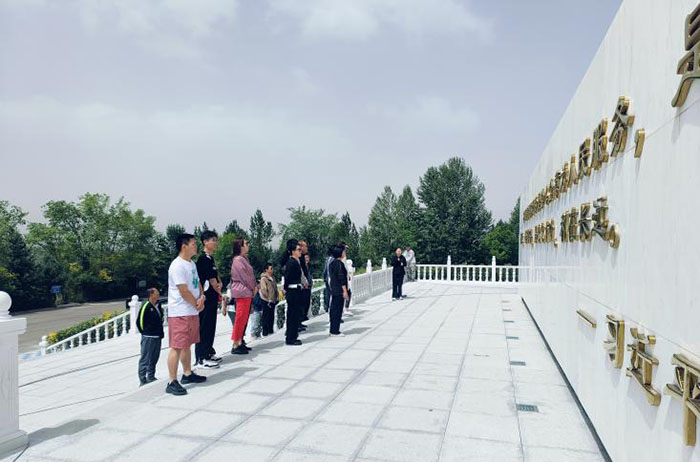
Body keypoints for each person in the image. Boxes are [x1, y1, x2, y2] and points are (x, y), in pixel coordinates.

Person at [166, 233, 207, 396]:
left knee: (187, 344)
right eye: (193, 244)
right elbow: (183, 291)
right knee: (176, 346)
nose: (196, 246)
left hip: (191, 310)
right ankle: (171, 381)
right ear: (184, 246)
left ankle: (187, 373)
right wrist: (196, 303)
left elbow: (198, 284)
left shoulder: (191, 264)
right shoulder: (177, 266)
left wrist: (202, 297)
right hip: (180, 312)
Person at [195, 230, 222, 369]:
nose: (216, 243)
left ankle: (209, 352)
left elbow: (216, 276)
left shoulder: (210, 258)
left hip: (212, 297)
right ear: (205, 242)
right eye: (213, 240)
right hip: (206, 298)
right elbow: (211, 280)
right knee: (204, 327)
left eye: (216, 240)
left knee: (211, 326)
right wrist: (220, 292)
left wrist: (219, 284)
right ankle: (201, 358)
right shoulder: (203, 259)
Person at [230, 238, 257, 355]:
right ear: (240, 247)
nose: (248, 245)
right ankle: (236, 344)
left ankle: (240, 342)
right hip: (242, 291)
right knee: (240, 318)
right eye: (246, 244)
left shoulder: (244, 259)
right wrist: (253, 287)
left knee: (244, 318)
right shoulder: (238, 260)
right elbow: (245, 277)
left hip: (246, 291)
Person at [137, 287, 164, 386]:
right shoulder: (146, 306)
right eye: (156, 292)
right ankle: (142, 380)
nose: (158, 293)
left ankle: (151, 376)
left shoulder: (158, 305)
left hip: (157, 336)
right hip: (148, 337)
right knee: (145, 358)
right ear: (151, 294)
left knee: (154, 358)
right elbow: (139, 322)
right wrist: (146, 332)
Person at [282, 239, 303, 346]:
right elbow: (287, 278)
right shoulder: (291, 262)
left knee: (295, 314)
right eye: (298, 249)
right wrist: (285, 289)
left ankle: (293, 336)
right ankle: (290, 338)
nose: (300, 251)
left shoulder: (296, 261)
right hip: (292, 291)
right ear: (293, 251)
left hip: (296, 290)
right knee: (292, 315)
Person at [328, 245, 349, 336]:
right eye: (343, 252)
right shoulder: (339, 263)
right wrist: (345, 291)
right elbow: (341, 278)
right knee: (337, 310)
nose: (344, 253)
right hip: (339, 290)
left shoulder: (332, 263)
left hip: (334, 289)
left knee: (334, 310)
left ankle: (333, 329)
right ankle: (335, 331)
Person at [259, 263, 278, 336]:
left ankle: (270, 330)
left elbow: (275, 288)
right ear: (266, 270)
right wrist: (268, 298)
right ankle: (265, 332)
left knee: (271, 315)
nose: (272, 270)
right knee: (266, 316)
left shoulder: (273, 277)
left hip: (272, 300)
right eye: (271, 268)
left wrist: (276, 297)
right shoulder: (264, 279)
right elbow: (264, 290)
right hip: (266, 300)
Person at [298, 240, 311, 327]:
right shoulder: (298, 259)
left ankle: (300, 322)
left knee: (304, 305)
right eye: (305, 246)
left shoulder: (302, 257)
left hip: (305, 285)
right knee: (299, 306)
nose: (306, 248)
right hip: (300, 286)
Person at [322, 246, 334, 312]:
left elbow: (325, 270)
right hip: (332, 279)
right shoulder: (333, 259)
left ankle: (328, 307)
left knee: (328, 294)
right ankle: (330, 307)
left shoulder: (327, 259)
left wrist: (324, 278)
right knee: (331, 294)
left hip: (327, 279)